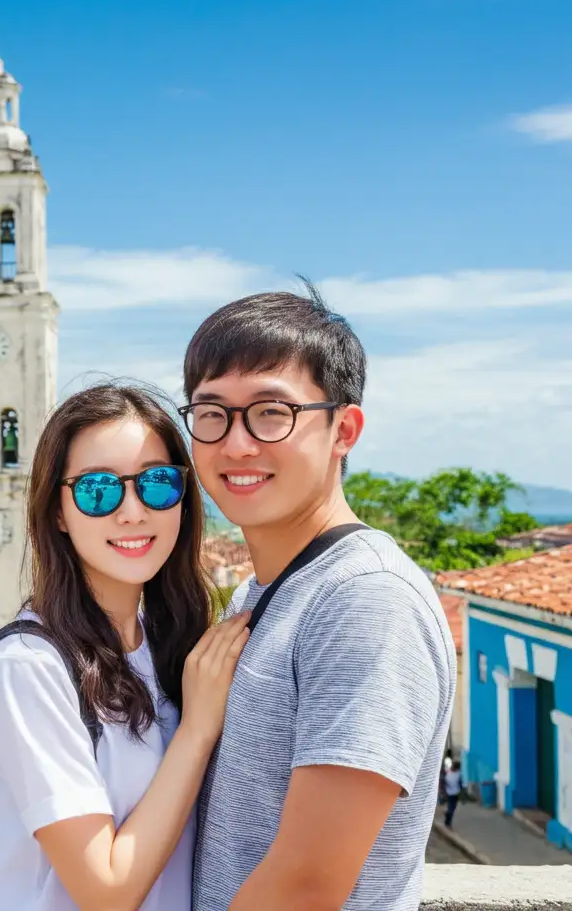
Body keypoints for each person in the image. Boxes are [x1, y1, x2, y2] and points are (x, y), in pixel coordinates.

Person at [184, 284, 457, 911]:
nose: (236, 443)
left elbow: (306, 886)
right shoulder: (265, 594)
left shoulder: (365, 601)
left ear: (344, 429)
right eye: (211, 413)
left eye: (272, 413)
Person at [0, 383, 249, 911]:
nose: (133, 511)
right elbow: (107, 890)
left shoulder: (168, 646)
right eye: (99, 490)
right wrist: (197, 730)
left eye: (158, 484)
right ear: (56, 510)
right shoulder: (30, 668)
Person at [443, 760, 463, 828]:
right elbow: (460, 784)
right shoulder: (458, 774)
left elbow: (445, 783)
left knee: (450, 806)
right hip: (455, 793)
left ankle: (447, 818)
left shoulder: (448, 773)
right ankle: (448, 822)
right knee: (452, 808)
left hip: (448, 792)